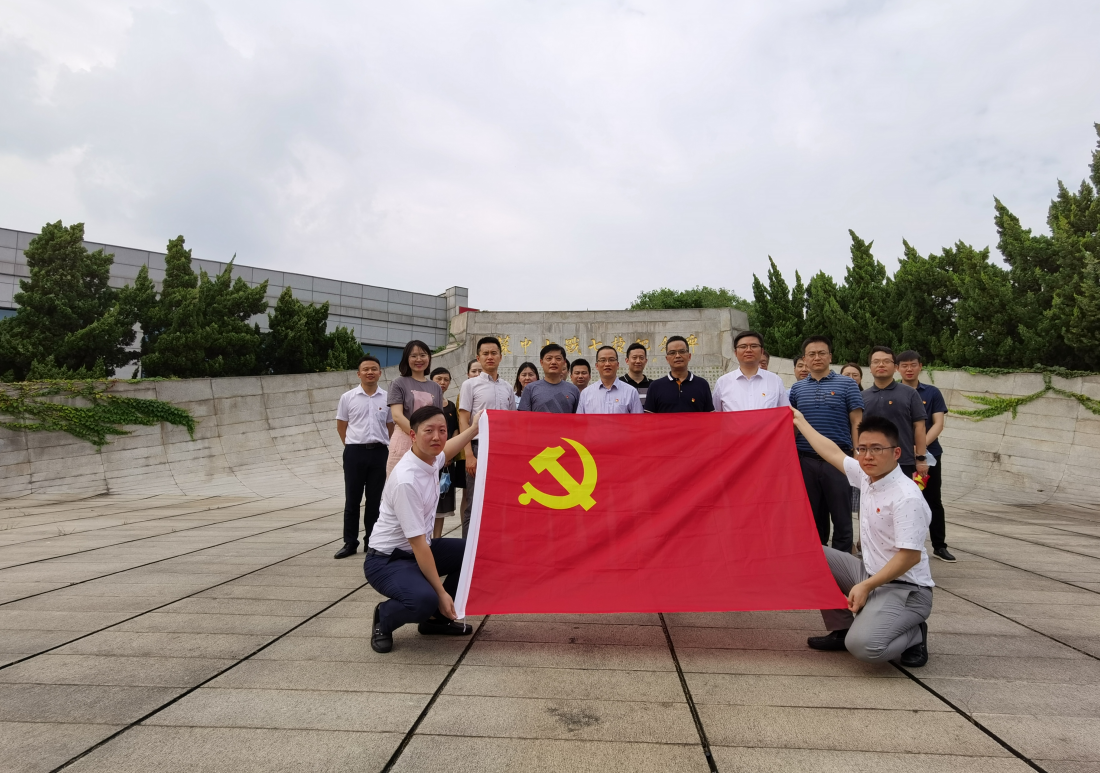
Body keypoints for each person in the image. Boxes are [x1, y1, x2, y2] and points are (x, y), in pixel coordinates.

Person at [793, 410, 933, 668]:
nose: (868, 456)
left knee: (865, 647)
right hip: (869, 573)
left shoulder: (906, 497)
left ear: (896, 453)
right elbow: (832, 453)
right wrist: (799, 421)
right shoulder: (867, 476)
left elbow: (910, 556)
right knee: (810, 553)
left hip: (906, 589)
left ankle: (915, 634)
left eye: (877, 449)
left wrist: (866, 586)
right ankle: (843, 628)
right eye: (862, 449)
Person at [366, 405, 483, 653]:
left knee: (475, 553)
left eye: (442, 430)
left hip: (414, 551)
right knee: (425, 599)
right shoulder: (406, 480)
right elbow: (418, 544)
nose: (437, 437)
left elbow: (448, 448)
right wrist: (441, 594)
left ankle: (434, 621)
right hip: (387, 560)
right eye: (429, 431)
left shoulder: (429, 457)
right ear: (413, 435)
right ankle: (384, 617)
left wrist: (473, 429)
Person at [788, 336, 864, 553]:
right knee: (813, 515)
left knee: (841, 515)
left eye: (822, 353)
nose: (817, 357)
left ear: (830, 356)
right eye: (811, 354)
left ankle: (843, 560)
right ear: (804, 359)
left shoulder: (847, 384)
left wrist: (858, 452)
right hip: (806, 460)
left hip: (839, 460)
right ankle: (819, 558)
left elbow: (857, 421)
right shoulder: (797, 389)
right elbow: (792, 425)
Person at [334, 355, 394, 559]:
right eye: (366, 369)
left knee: (375, 500)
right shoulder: (348, 397)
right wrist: (351, 446)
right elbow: (341, 426)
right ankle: (350, 542)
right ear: (359, 374)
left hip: (379, 453)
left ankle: (372, 541)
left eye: (374, 369)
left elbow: (390, 427)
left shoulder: (387, 398)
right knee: (352, 499)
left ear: (380, 373)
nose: (370, 372)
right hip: (354, 452)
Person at [897, 350, 954, 562]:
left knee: (932, 500)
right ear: (897, 368)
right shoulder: (894, 392)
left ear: (920, 366)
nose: (909, 369)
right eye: (904, 365)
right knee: (903, 501)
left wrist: (919, 447)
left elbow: (938, 423)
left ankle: (939, 546)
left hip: (929, 455)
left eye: (913, 365)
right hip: (900, 456)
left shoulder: (932, 393)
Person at [458, 337, 516, 538]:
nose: (490, 357)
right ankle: (466, 550)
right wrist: (469, 455)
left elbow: (512, 422)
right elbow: (463, 420)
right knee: (474, 502)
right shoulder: (470, 385)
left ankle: (494, 543)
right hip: (478, 447)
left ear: (500, 356)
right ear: (478, 357)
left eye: (493, 353)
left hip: (502, 450)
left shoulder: (507, 387)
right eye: (485, 353)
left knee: (500, 500)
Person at [862, 346, 929, 488]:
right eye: (876, 362)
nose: (881, 365)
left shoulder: (910, 393)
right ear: (870, 368)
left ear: (895, 367)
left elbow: (920, 426)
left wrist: (921, 458)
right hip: (870, 461)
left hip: (903, 461)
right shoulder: (862, 397)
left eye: (886, 361)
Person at [386, 340, 443, 476]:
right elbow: (397, 416)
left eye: (423, 355)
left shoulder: (435, 387)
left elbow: (439, 417)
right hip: (404, 438)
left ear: (429, 358)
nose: (419, 359)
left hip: (428, 440)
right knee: (400, 480)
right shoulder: (398, 383)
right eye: (414, 356)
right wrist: (417, 436)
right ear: (407, 359)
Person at [713, 330, 790, 412]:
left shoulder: (775, 380)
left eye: (754, 346)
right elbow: (715, 415)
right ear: (735, 352)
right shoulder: (723, 382)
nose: (748, 350)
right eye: (743, 346)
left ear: (762, 351)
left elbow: (785, 412)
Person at [645, 336, 714, 413]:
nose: (677, 356)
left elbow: (710, 417)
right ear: (667, 359)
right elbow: (649, 418)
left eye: (682, 351)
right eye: (672, 353)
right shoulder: (655, 386)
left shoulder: (702, 384)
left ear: (689, 356)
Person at [430, 367, 460, 540]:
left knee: (442, 501)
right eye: (439, 379)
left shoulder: (451, 406)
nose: (442, 382)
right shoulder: (426, 404)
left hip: (446, 461)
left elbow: (455, 430)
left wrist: (449, 454)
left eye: (446, 380)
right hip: (428, 459)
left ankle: (437, 538)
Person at [577, 345, 643, 414]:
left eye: (611, 360)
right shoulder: (586, 394)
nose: (607, 364)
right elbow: (580, 420)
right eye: (603, 360)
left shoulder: (631, 392)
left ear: (617, 365)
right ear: (597, 366)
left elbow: (638, 419)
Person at [518, 343, 580, 413]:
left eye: (558, 358)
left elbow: (578, 417)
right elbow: (523, 417)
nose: (553, 362)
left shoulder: (573, 390)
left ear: (564, 363)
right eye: (549, 358)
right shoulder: (530, 389)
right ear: (541, 362)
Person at [620, 342, 653, 408]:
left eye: (641, 358)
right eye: (634, 358)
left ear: (646, 361)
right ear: (627, 361)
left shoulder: (653, 385)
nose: (638, 361)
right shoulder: (619, 384)